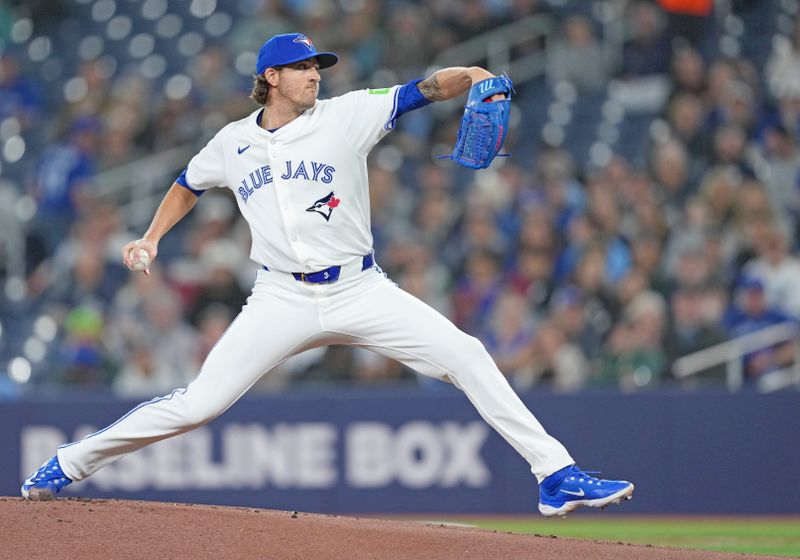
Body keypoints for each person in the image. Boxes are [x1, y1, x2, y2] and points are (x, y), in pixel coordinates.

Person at [21, 33, 634, 517]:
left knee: (467, 354)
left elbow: (422, 89)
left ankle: (554, 475)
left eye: (319, 65)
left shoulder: (347, 115)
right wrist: (152, 237)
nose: (316, 73)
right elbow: (188, 184)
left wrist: (471, 75)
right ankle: (69, 464)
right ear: (271, 78)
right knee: (197, 405)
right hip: (280, 296)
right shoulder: (232, 143)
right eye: (303, 66)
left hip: (359, 288)